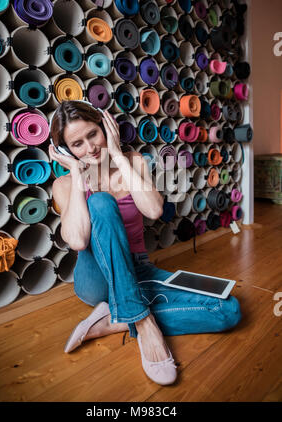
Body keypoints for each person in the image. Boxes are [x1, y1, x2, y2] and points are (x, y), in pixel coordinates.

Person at [49, 100, 242, 386]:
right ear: (67, 151)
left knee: (229, 310)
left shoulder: (134, 162)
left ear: (106, 128)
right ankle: (142, 321)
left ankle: (115, 320)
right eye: (77, 144)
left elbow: (153, 210)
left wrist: (117, 154)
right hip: (96, 278)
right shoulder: (64, 185)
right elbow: (78, 240)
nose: (90, 148)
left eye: (93, 134)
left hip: (138, 269)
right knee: (101, 202)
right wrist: (78, 175)